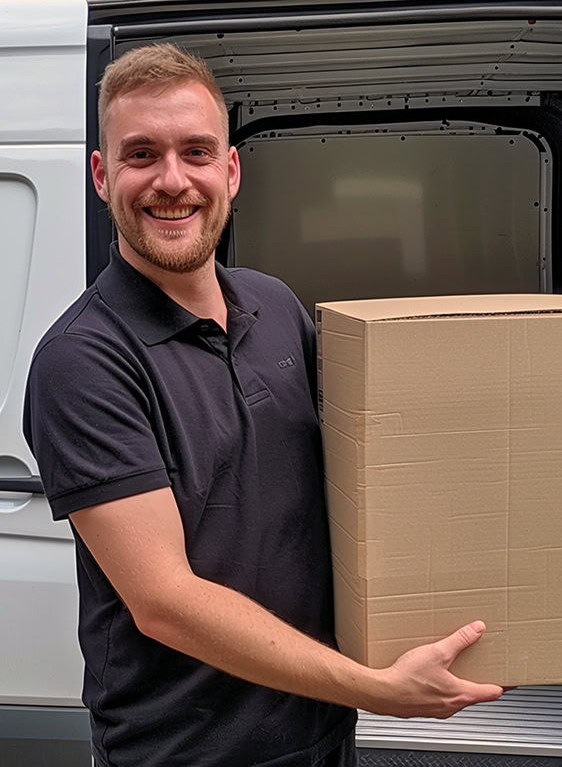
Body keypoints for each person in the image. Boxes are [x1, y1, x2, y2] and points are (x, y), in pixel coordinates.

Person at [23, 44, 504, 767]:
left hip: (318, 734)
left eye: (196, 151)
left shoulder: (276, 304)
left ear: (231, 170)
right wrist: (376, 688)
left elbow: (344, 484)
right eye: (142, 154)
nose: (173, 180)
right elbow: (165, 602)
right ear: (102, 175)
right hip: (185, 752)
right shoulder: (84, 362)